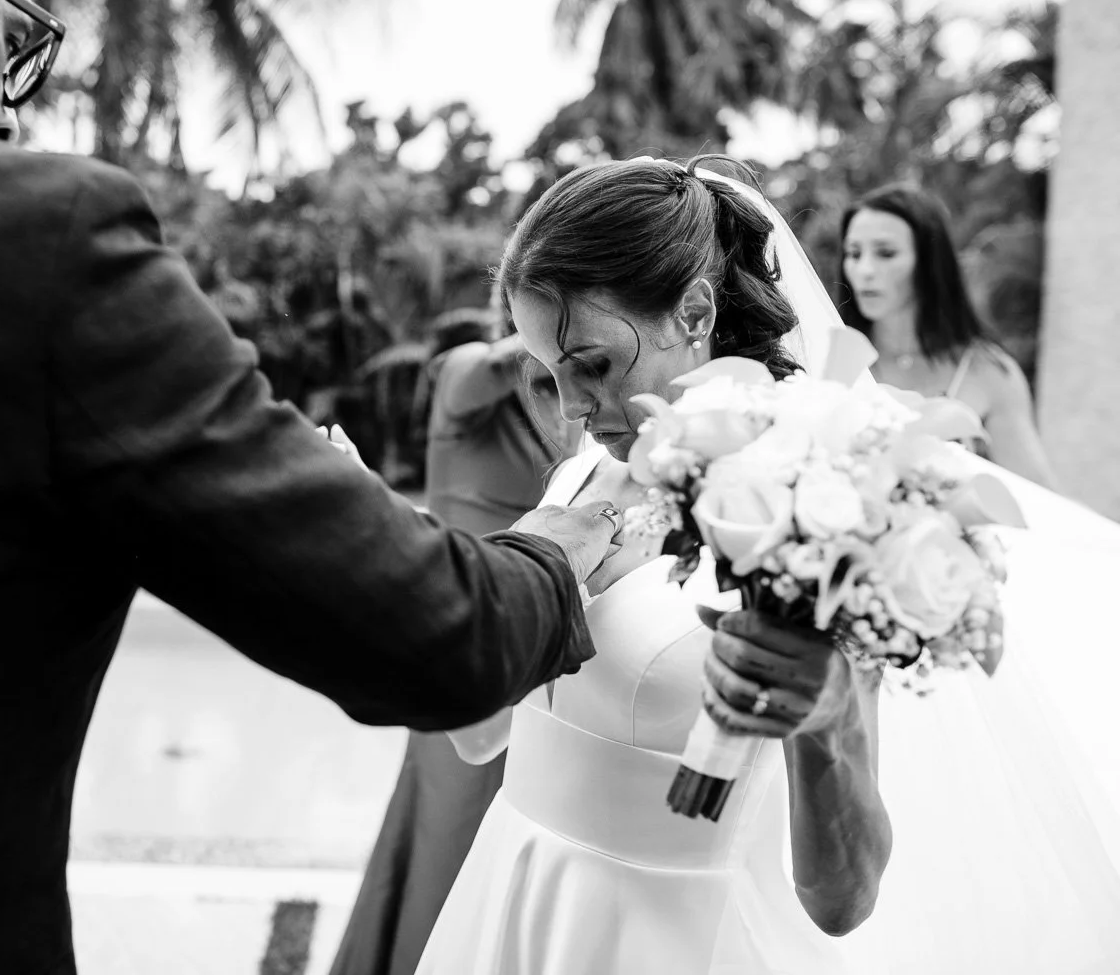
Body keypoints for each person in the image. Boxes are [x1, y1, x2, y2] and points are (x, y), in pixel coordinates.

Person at [0, 0, 636, 969]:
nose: (12, 113)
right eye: (20, 36)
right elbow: (431, 638)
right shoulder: (26, 243)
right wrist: (554, 547)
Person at [414, 157, 1120, 975]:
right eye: (550, 374)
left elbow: (844, 899)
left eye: (595, 366)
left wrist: (829, 720)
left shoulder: (811, 489)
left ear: (695, 309)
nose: (571, 409)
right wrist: (453, 573)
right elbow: (479, 739)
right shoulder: (581, 474)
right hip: (518, 898)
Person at [330, 313, 583, 975]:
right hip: (466, 643)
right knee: (449, 833)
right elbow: (497, 362)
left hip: (524, 643)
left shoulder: (545, 424)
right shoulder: (462, 376)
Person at [839, 183, 1059, 488]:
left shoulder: (989, 373)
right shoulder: (837, 357)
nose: (864, 269)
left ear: (929, 263)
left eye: (885, 253)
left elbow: (1041, 499)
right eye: (853, 253)